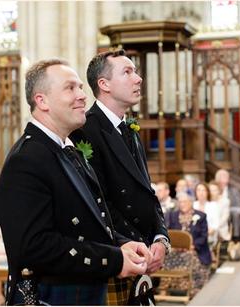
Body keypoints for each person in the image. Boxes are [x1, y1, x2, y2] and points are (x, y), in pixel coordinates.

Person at [0, 58, 151, 306]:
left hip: (82, 291)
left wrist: (122, 244)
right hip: (52, 296)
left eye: (80, 87)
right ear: (41, 100)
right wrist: (114, 259)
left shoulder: (67, 149)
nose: (82, 96)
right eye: (70, 88)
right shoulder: (27, 159)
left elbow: (87, 222)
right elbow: (33, 247)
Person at [71, 49, 169, 305]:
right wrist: (136, 245)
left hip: (142, 252)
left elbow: (147, 191)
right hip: (117, 253)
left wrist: (160, 238)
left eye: (135, 71)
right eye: (128, 72)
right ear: (104, 84)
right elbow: (97, 203)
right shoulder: (85, 131)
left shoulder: (131, 128)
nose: (138, 79)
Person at [164, 192, 211, 296]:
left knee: (191, 257)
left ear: (191, 203)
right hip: (176, 249)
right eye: (180, 202)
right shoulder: (173, 215)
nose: (182, 204)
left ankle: (192, 289)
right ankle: (165, 287)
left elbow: (204, 236)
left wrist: (192, 245)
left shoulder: (201, 216)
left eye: (184, 202)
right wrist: (176, 245)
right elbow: (170, 232)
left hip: (194, 249)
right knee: (166, 257)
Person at [215, 169, 240, 242]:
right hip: (216, 210)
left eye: (227, 176)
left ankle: (236, 237)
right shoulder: (214, 188)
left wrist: (227, 211)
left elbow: (239, 206)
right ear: (218, 178)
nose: (226, 178)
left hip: (230, 211)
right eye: (223, 176)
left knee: (235, 215)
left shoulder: (233, 190)